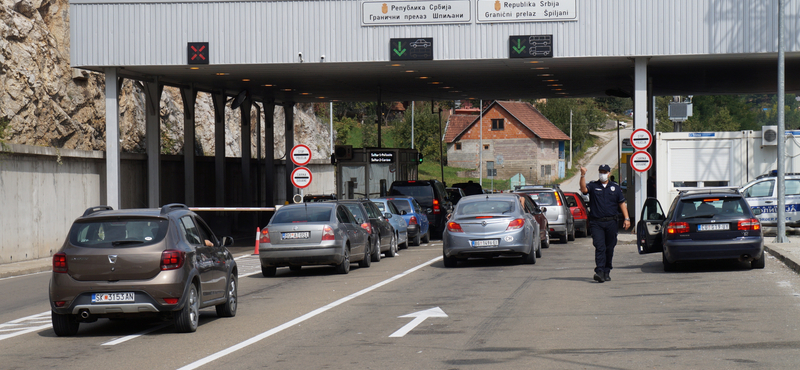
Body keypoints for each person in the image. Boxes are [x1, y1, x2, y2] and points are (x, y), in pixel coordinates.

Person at [580, 164, 630, 283]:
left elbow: (621, 203)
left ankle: (607, 270)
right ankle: (599, 271)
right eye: (601, 171)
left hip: (611, 222)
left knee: (609, 247)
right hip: (597, 222)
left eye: (604, 172)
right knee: (599, 246)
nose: (602, 174)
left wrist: (627, 218)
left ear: (609, 173)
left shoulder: (615, 188)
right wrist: (582, 175)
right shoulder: (593, 185)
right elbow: (583, 189)